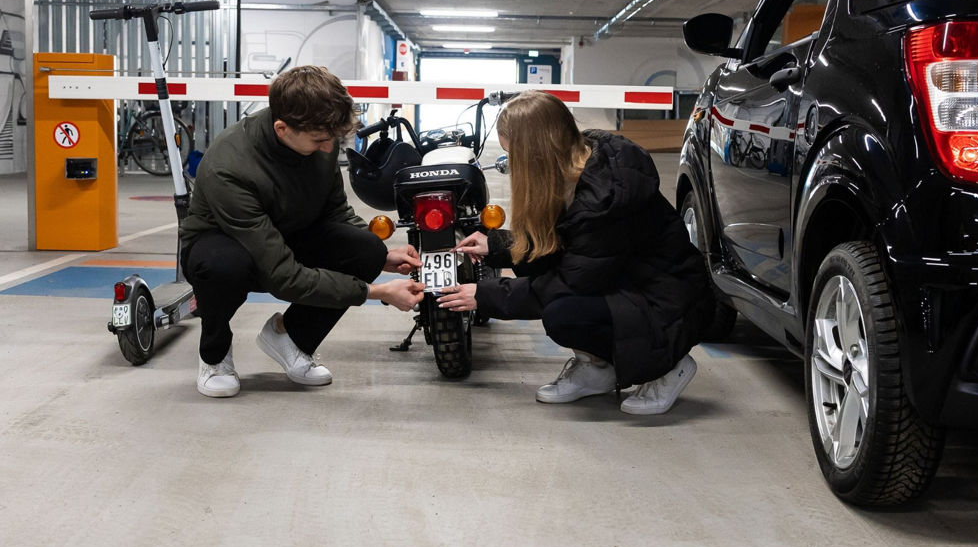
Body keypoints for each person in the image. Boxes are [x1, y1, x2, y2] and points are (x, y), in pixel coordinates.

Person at [439, 90, 715, 415]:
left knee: (563, 313)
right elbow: (562, 247)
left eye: (514, 156)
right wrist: (496, 245)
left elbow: (572, 281)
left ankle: (670, 365)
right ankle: (597, 371)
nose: (510, 165)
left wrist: (484, 295)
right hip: (631, 283)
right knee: (555, 295)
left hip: (670, 304)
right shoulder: (574, 169)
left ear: (538, 153)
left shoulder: (605, 200)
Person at [179, 65, 423, 398]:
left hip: (289, 233)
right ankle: (215, 354)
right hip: (227, 244)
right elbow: (282, 275)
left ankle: (290, 337)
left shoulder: (320, 137)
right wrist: (375, 292)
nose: (328, 149)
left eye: (332, 140)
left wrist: (382, 258)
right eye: (320, 141)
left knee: (366, 249)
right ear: (282, 128)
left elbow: (335, 211)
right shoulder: (231, 166)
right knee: (222, 267)